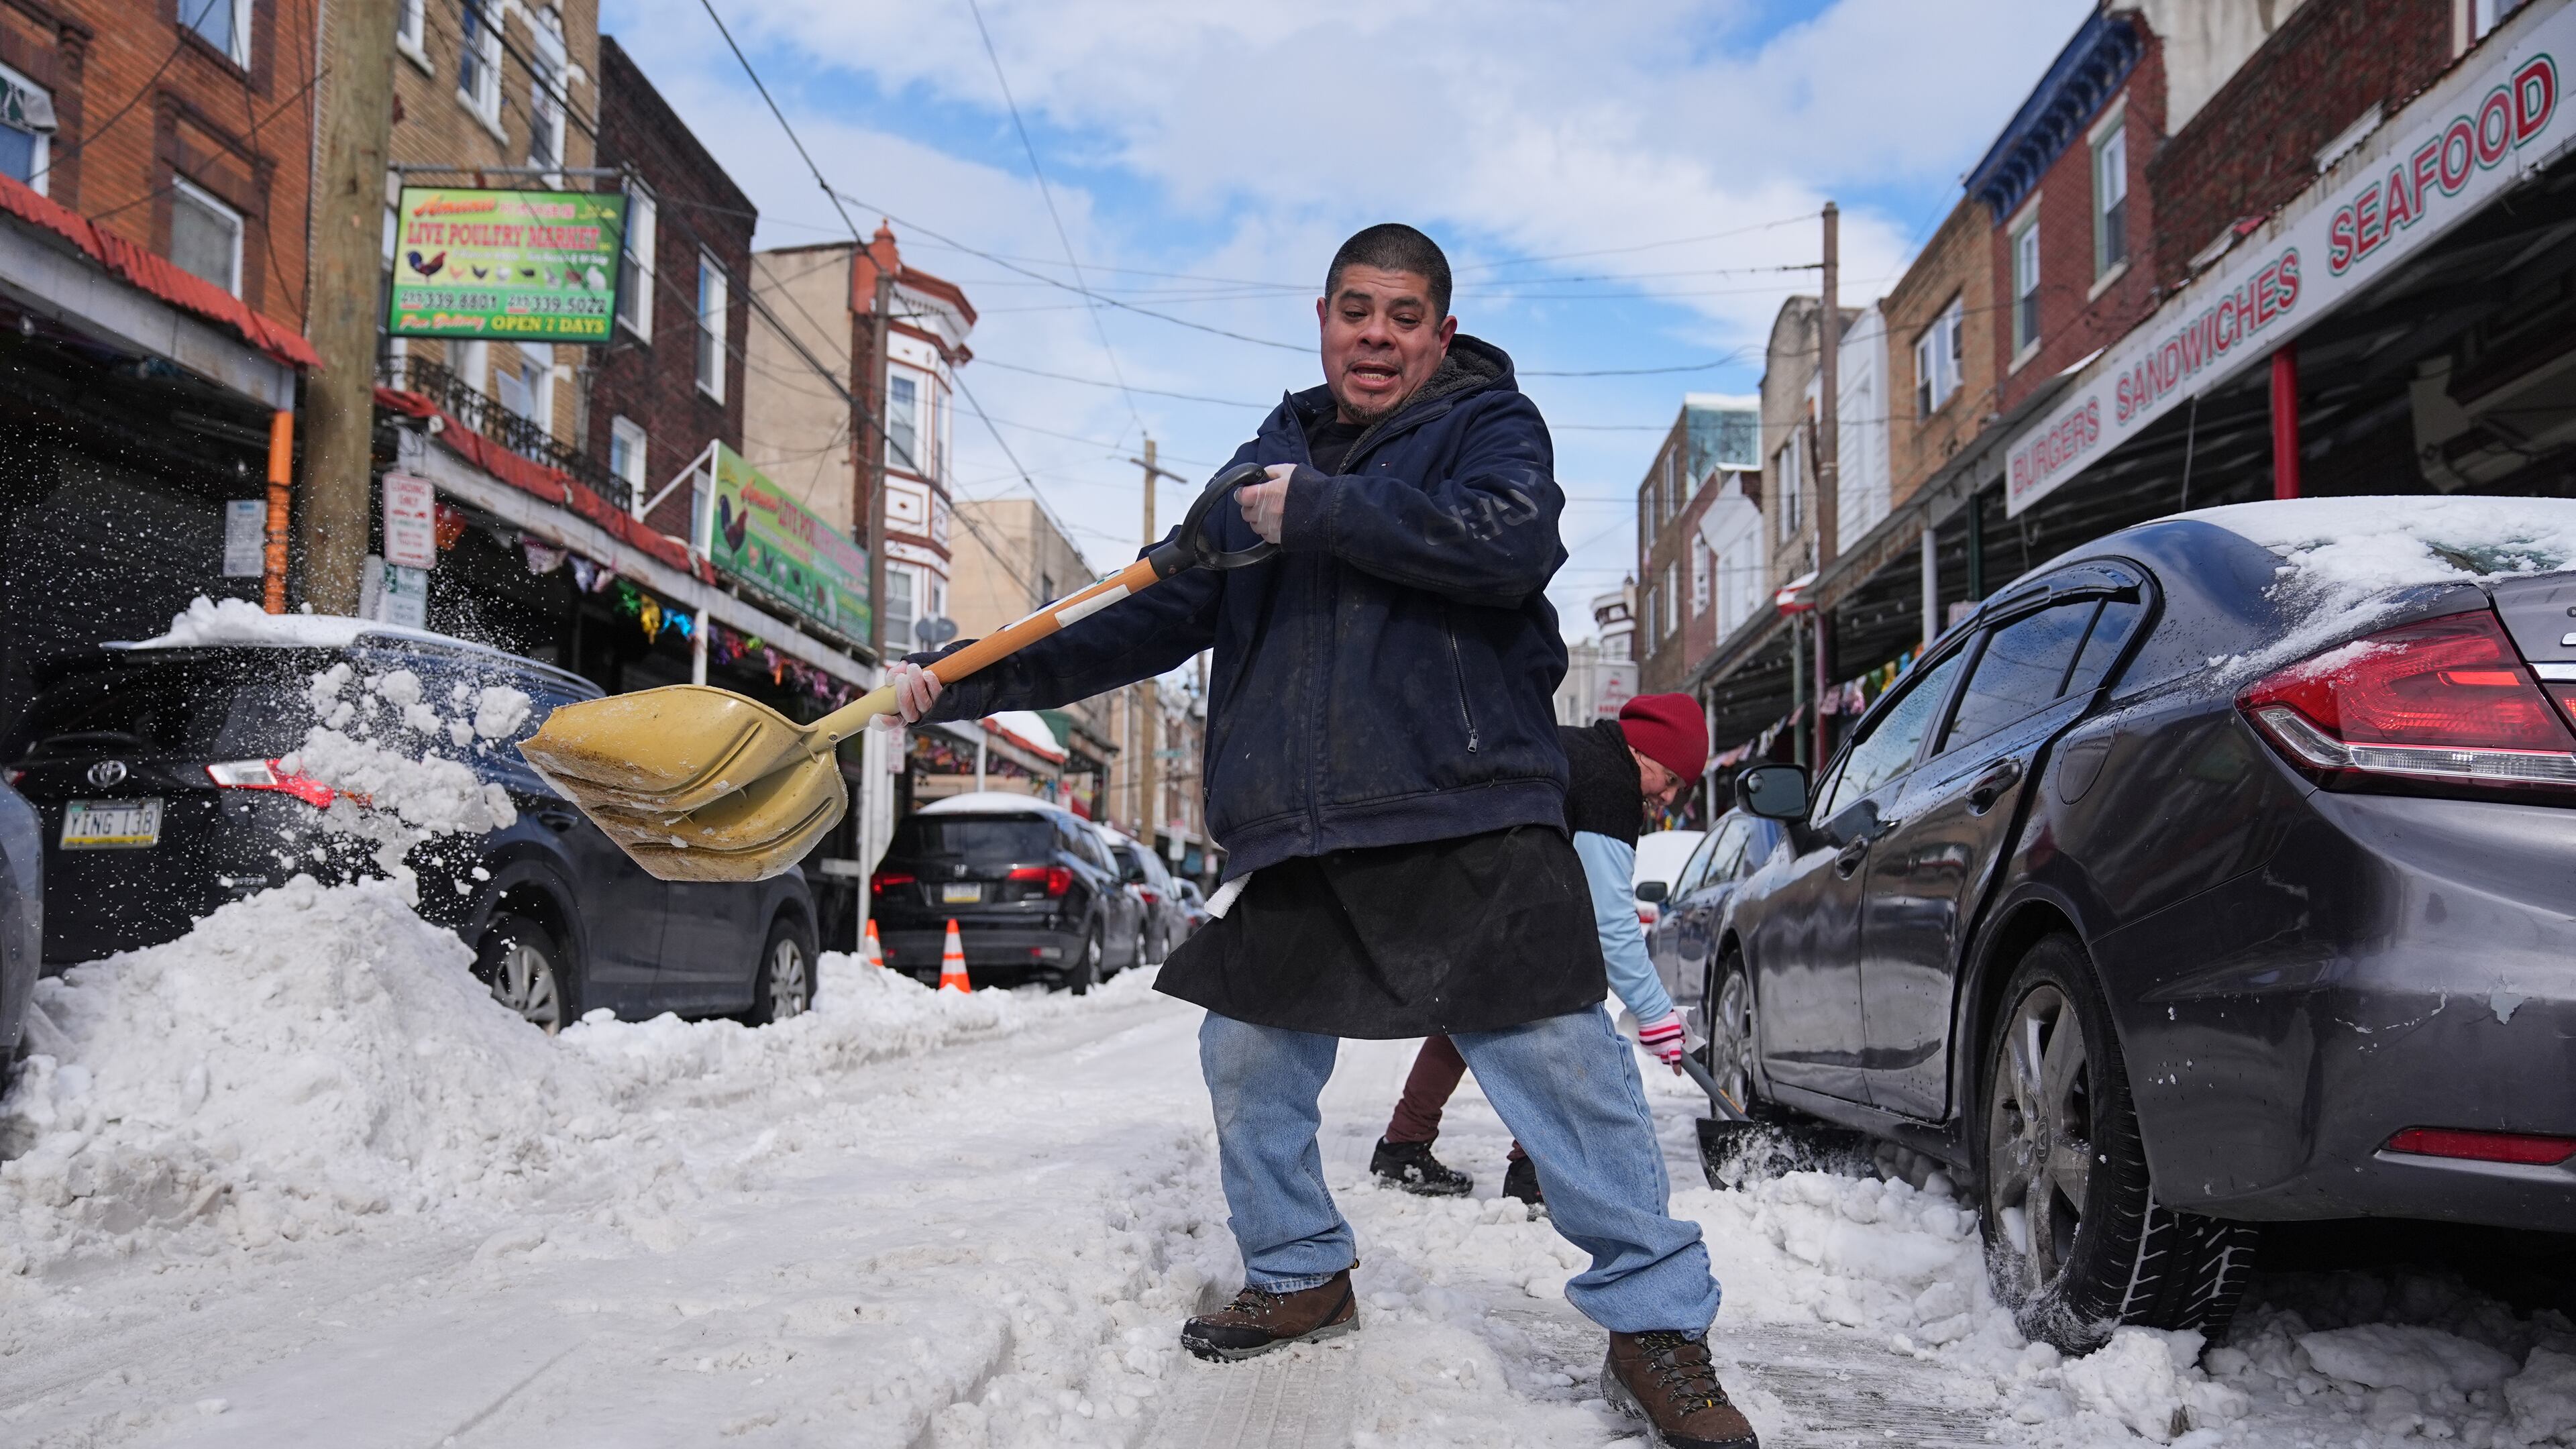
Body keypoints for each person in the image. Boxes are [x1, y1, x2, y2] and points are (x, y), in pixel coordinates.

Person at [881, 224, 1759, 1449]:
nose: (1379, 335)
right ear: (1323, 316)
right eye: (1358, 310)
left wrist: (1323, 512)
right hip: (1300, 824)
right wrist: (962, 679)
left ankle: (1657, 1323)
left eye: (1406, 316)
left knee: (1564, 1067)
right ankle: (1300, 1269)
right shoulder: (1260, 466)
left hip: (1465, 806)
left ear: (1440, 333)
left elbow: (1507, 549)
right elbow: (1141, 614)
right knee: (1247, 1056)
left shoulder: (1490, 429)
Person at [1371, 692, 1707, 1212]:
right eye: (1673, 781)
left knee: (1473, 1016)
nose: (1669, 798)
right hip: (1498, 902)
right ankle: (1532, 1171)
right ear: (1647, 754)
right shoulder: (1609, 783)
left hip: (1465, 887)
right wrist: (1655, 1012)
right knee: (1557, 1018)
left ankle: (1405, 1147)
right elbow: (1611, 920)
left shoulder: (1578, 750)